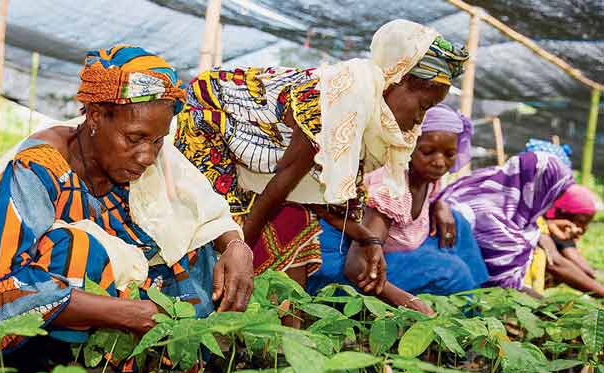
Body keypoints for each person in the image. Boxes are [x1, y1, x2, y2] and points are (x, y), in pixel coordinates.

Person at [0, 46, 254, 370]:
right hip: (57, 319)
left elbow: (208, 212)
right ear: (95, 116)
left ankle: (166, 367)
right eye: (135, 138)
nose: (147, 156)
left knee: (197, 250)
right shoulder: (39, 167)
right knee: (77, 250)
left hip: (130, 303)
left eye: (157, 141)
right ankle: (52, 371)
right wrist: (127, 314)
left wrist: (237, 247)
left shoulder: (147, 157)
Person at [175, 19, 468, 313]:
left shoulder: (368, 111)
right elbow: (278, 188)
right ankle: (208, 311)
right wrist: (240, 252)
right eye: (423, 106)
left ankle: (257, 324)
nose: (420, 119)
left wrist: (367, 238)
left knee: (296, 222)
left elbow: (321, 199)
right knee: (222, 223)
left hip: (263, 160)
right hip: (211, 121)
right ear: (398, 80)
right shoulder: (340, 100)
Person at [309, 105, 488, 313]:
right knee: (452, 272)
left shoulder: (428, 181)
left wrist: (439, 204)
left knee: (458, 224)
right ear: (409, 148)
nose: (439, 162)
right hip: (339, 270)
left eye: (449, 154)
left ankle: (481, 297)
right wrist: (409, 301)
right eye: (428, 152)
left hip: (384, 254)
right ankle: (470, 318)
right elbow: (357, 266)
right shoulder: (390, 188)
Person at [437, 151, 575, 296]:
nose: (553, 201)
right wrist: (552, 310)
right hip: (451, 297)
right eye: (554, 193)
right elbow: (500, 290)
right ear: (539, 187)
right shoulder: (490, 216)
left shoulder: (516, 215)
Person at [540, 184, 603, 295]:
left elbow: (583, 266)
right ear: (559, 213)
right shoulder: (538, 227)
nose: (583, 229)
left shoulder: (553, 226)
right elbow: (558, 263)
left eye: (587, 224)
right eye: (581, 221)